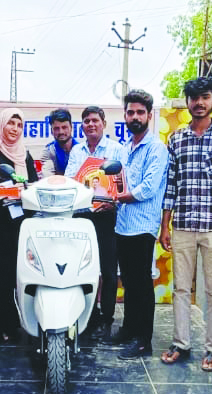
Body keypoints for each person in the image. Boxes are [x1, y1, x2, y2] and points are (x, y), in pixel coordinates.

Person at [159, 77, 212, 372]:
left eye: (205, 97)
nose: (199, 103)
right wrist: (165, 225)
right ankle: (181, 344)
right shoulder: (176, 139)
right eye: (194, 98)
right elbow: (171, 185)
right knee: (181, 288)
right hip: (182, 223)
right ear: (187, 102)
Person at [109, 89, 169, 360]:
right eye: (130, 112)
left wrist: (120, 197)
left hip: (143, 225)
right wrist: (110, 195)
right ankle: (129, 329)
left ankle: (144, 341)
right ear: (125, 115)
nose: (135, 117)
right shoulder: (125, 148)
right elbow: (118, 183)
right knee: (129, 281)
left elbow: (148, 187)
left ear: (149, 115)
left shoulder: (156, 148)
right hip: (123, 223)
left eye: (140, 113)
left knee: (142, 283)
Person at [0, 108, 39, 342]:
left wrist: (22, 191)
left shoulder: (24, 154)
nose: (14, 129)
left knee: (14, 273)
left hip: (18, 223)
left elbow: (33, 185)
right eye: (10, 123)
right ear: (1, 125)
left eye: (19, 125)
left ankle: (10, 323)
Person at [64, 106, 124, 340]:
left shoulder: (116, 150)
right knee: (82, 267)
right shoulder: (77, 151)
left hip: (107, 216)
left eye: (95, 120)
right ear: (82, 126)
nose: (91, 124)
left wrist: (114, 201)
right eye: (86, 121)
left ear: (104, 124)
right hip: (82, 216)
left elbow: (122, 183)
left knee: (108, 270)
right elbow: (70, 179)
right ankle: (85, 315)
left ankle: (106, 317)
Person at [40, 108, 78, 176]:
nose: (61, 132)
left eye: (64, 127)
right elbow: (48, 177)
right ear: (51, 131)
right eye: (56, 128)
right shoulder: (48, 152)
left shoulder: (81, 150)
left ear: (71, 128)